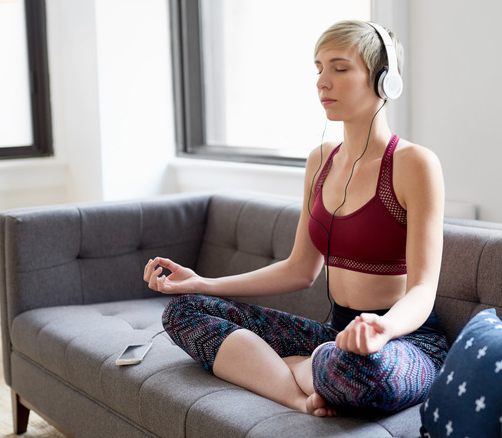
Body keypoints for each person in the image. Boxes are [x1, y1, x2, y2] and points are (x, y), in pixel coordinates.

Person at [143, 20, 448, 417]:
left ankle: (299, 367)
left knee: (357, 373)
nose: (323, 82)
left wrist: (382, 329)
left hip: (404, 342)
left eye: (339, 68)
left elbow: (422, 290)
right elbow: (301, 269)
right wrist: (205, 283)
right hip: (334, 335)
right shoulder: (320, 160)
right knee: (183, 310)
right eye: (318, 68)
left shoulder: (414, 164)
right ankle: (297, 394)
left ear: (385, 80)